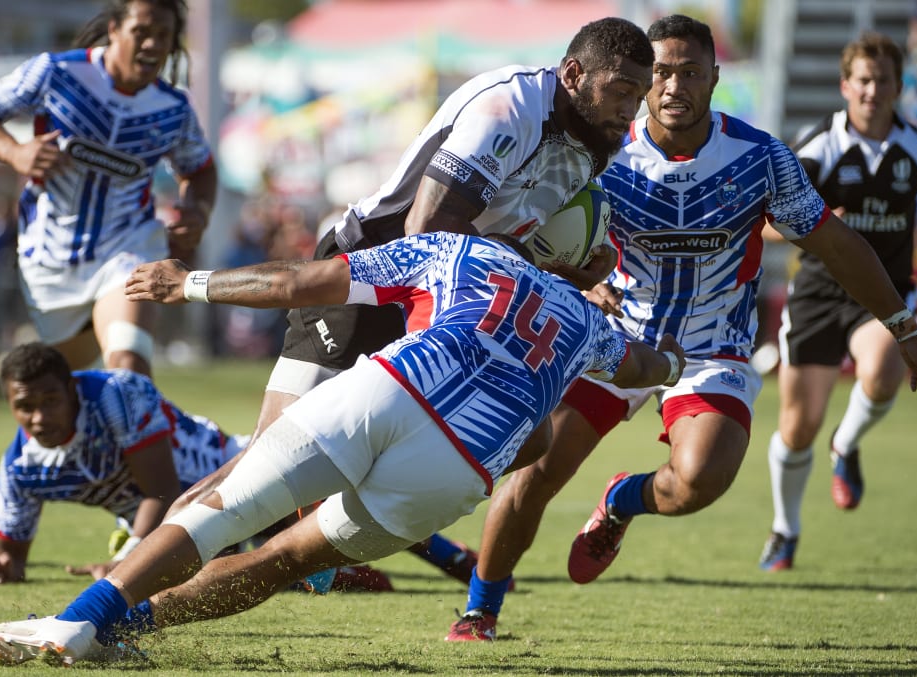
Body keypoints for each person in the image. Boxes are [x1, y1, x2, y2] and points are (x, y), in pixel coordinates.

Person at [444, 14, 917, 642]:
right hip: (612, 335)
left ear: (715, 77)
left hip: (714, 345)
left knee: (702, 479)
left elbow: (837, 244)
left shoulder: (761, 157)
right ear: (644, 78)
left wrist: (904, 328)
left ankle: (621, 501)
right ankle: (479, 612)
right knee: (539, 470)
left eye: (690, 72)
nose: (673, 86)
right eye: (660, 72)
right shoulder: (599, 150)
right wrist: (577, 279)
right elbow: (529, 233)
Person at [0, 230, 686, 665]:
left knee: (227, 508)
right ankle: (124, 628)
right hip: (454, 467)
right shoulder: (587, 327)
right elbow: (642, 370)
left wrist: (184, 283)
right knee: (286, 558)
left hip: (391, 390)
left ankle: (83, 620)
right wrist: (678, 363)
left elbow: (293, 282)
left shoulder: (459, 249)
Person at [154, 15, 653, 582]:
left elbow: (529, 233)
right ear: (572, 74)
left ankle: (309, 536)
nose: (630, 108)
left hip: (453, 297)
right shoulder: (509, 108)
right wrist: (532, 269)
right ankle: (132, 584)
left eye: (639, 94)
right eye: (620, 91)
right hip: (371, 275)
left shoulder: (597, 139)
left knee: (529, 435)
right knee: (258, 467)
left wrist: (575, 267)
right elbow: (429, 228)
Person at [758, 32, 917, 571]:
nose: (873, 90)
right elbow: (767, 221)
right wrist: (824, 227)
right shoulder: (818, 146)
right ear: (845, 86)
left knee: (881, 371)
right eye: (863, 80)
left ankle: (845, 445)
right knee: (797, 428)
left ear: (899, 88)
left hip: (886, 295)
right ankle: (784, 531)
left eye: (883, 81)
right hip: (816, 295)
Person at [0, 0, 217, 377]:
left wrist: (197, 212)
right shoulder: (55, 72)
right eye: (141, 32)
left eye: (163, 36)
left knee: (129, 369)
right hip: (49, 260)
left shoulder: (173, 109)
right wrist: (13, 151)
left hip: (127, 248)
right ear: (114, 29)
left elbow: (202, 170)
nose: (152, 45)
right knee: (69, 389)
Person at [0, 342, 248, 586]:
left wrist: (128, 560)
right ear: (9, 405)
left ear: (71, 391)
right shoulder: (21, 469)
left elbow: (163, 491)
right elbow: (8, 549)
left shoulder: (116, 395)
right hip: (177, 531)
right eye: (26, 406)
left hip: (232, 469)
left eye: (51, 401)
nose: (40, 418)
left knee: (284, 517)